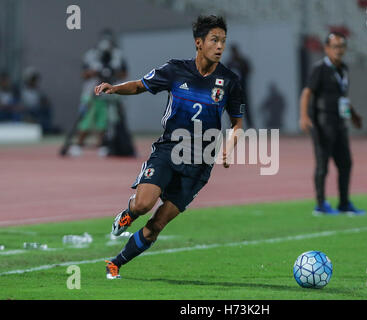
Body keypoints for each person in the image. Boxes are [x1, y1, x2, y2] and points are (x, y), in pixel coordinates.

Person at [95, 15, 245, 279]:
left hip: (200, 162)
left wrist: (229, 146)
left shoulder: (230, 81)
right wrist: (114, 88)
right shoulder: (175, 70)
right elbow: (141, 85)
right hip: (169, 150)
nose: (220, 46)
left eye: (223, 40)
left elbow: (237, 124)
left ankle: (115, 263)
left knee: (157, 224)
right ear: (199, 43)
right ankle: (128, 213)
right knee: (143, 205)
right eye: (214, 40)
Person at [299, 32, 365, 216]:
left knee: (345, 163)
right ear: (327, 49)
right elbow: (307, 93)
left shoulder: (343, 69)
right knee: (322, 165)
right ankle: (320, 205)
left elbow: (341, 97)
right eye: (335, 46)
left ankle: (344, 203)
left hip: (340, 123)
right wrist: (304, 116)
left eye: (341, 46)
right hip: (322, 123)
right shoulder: (320, 68)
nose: (338, 50)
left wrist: (353, 115)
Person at [69, 29, 128, 157]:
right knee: (86, 120)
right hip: (91, 92)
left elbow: (124, 73)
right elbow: (84, 74)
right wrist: (97, 71)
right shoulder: (91, 55)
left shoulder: (117, 55)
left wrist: (111, 72)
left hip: (108, 93)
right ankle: (78, 144)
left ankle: (102, 145)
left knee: (104, 121)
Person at [227, 44, 253, 128]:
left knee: (246, 107)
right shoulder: (230, 63)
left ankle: (250, 125)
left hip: (242, 88)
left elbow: (249, 70)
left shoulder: (242, 61)